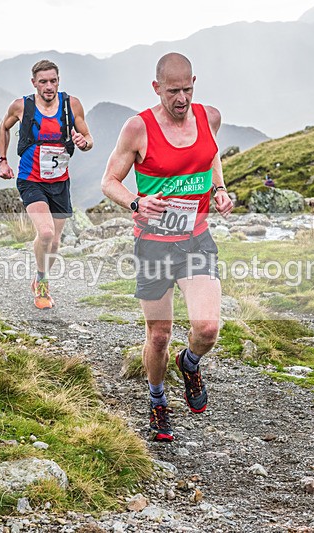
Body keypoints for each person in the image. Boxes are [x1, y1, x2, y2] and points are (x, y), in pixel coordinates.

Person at [101, 53, 234, 442]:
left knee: (207, 329)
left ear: (195, 82)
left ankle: (189, 363)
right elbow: (109, 181)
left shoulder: (209, 117)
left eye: (187, 89)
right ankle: (157, 399)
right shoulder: (137, 128)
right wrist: (137, 203)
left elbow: (210, 155)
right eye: (173, 91)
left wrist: (219, 189)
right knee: (159, 335)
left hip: (195, 239)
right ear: (156, 87)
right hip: (154, 245)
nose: (181, 98)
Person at [0, 59, 93, 310]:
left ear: (59, 80)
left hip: (60, 182)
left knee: (55, 242)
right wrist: (3, 161)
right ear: (34, 83)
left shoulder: (70, 104)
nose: (49, 86)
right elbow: (3, 127)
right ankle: (42, 284)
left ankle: (42, 277)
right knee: (46, 232)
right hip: (31, 180)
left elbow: (88, 138)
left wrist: (84, 142)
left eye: (53, 81)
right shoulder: (22, 106)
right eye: (43, 82)